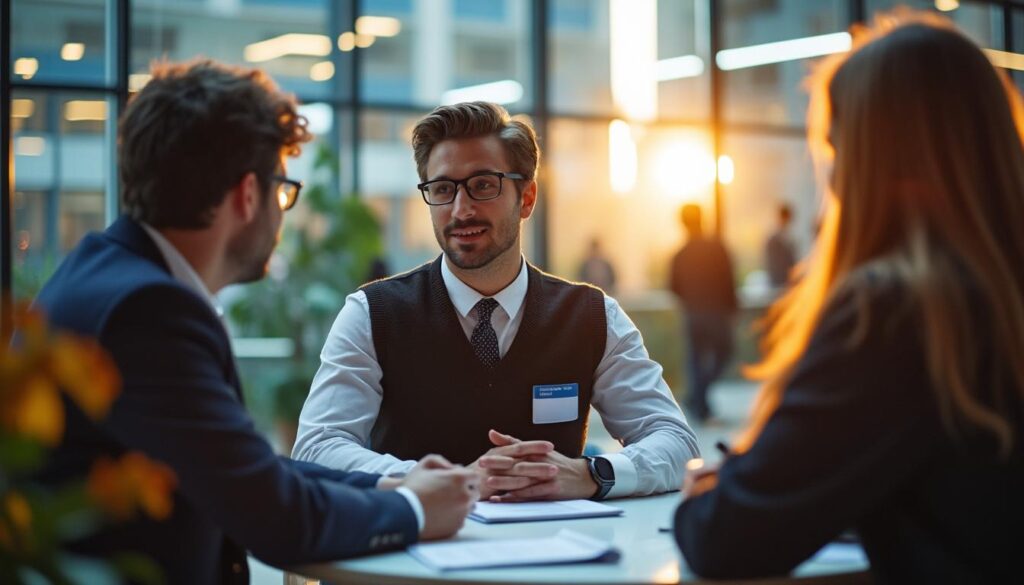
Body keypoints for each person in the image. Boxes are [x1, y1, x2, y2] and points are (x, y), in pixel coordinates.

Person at [33, 60, 477, 584]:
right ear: (247, 194)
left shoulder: (108, 274)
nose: (282, 211)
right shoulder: (148, 311)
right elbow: (275, 517)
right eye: (282, 189)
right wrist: (416, 513)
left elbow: (239, 470)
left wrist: (388, 489)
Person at [675, 12, 1023, 583]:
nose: (832, 176)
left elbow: (725, 539)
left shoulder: (900, 308)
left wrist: (710, 496)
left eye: (837, 147)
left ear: (872, 160)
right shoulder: (992, 292)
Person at [294, 102, 699, 503]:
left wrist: (592, 473)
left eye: (483, 185)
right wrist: (436, 481)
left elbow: (677, 442)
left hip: (555, 556)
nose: (460, 209)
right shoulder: (372, 313)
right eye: (442, 189)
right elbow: (317, 447)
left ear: (526, 198)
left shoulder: (593, 316)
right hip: (411, 557)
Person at [668, 204, 738, 423]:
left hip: (693, 314)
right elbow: (729, 280)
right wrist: (732, 308)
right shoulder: (717, 248)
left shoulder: (679, 254)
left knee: (696, 361)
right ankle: (698, 401)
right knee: (724, 354)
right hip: (717, 313)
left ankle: (696, 400)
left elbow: (673, 286)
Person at [764, 203, 797, 289]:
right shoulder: (773, 240)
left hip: (787, 282)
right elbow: (773, 265)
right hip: (779, 284)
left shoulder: (788, 237)